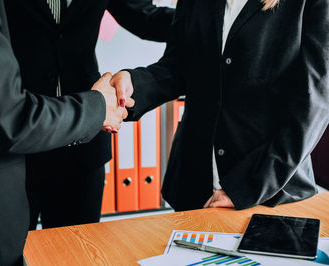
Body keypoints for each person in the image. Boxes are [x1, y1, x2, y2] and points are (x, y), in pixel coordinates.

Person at [0, 0, 128, 265]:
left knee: (78, 255)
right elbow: (6, 115)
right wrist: (98, 106)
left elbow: (142, 15)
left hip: (79, 152)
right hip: (1, 163)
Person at [111, 0, 329, 211]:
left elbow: (313, 103)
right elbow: (177, 67)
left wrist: (246, 187)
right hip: (196, 183)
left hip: (270, 188)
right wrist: (132, 85)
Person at [3, 0, 174, 229]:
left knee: (77, 249)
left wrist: (210, 16)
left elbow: (145, 17)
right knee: (14, 250)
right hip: (18, 138)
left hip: (84, 143)